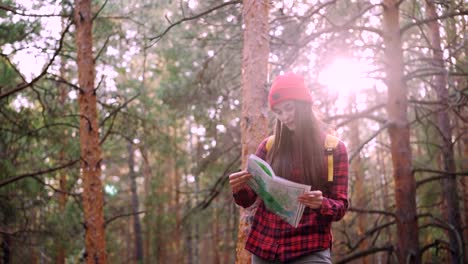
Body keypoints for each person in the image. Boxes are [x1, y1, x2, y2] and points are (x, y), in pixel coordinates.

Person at [229, 72, 349, 263]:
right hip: (265, 246)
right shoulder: (269, 146)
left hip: (309, 247)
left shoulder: (333, 149)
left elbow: (340, 206)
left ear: (303, 105)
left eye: (289, 108)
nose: (284, 117)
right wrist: (239, 188)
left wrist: (322, 203)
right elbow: (248, 200)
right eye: (278, 112)